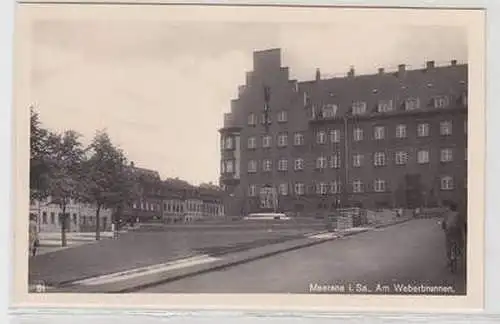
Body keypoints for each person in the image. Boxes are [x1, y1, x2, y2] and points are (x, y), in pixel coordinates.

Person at [441, 202, 466, 267]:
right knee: (460, 241)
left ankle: (449, 260)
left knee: (448, 244)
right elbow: (462, 224)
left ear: (450, 208)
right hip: (456, 230)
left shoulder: (446, 214)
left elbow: (443, 223)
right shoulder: (458, 214)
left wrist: (444, 229)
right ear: (456, 208)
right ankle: (460, 252)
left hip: (449, 231)